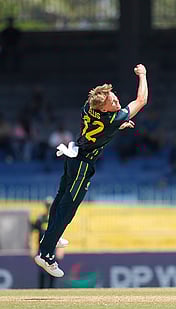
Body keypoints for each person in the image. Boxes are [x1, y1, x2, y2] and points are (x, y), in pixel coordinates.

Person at [34, 64, 148, 277]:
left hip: (73, 156)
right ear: (104, 109)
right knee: (68, 207)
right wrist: (142, 75)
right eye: (112, 101)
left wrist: (117, 126)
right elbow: (141, 100)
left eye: (114, 97)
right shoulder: (112, 118)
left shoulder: (88, 108)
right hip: (83, 164)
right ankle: (46, 254)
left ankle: (52, 235)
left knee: (60, 199)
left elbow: (101, 127)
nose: (116, 101)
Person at [31, 197, 65, 288]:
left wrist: (60, 250)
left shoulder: (55, 219)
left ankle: (51, 292)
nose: (48, 207)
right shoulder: (40, 219)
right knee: (42, 272)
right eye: (47, 206)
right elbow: (34, 233)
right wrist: (33, 248)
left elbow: (61, 234)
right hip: (41, 248)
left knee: (53, 273)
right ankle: (41, 291)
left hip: (53, 249)